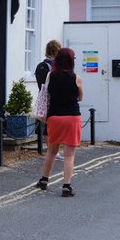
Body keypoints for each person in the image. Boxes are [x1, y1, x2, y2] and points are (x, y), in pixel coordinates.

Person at [35, 47, 83, 196]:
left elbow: (46, 94)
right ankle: (66, 186)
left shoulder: (51, 75)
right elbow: (80, 97)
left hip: (54, 117)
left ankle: (44, 180)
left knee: (51, 151)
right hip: (72, 117)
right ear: (71, 61)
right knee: (69, 154)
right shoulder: (77, 78)